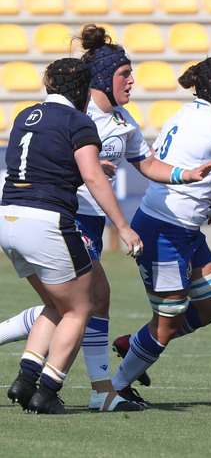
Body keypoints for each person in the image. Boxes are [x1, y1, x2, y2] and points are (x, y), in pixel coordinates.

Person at [0, 25, 211, 411]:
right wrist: (104, 191)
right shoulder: (74, 112)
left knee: (67, 304)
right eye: (124, 74)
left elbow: (147, 163)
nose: (132, 80)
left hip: (80, 222)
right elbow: (70, 163)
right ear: (101, 79)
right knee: (89, 300)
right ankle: (100, 390)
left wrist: (186, 174)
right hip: (65, 219)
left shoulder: (123, 120)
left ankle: (46, 380)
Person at [110, 57, 211, 406]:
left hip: (178, 228)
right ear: (210, 89)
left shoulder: (183, 113)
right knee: (169, 321)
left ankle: (134, 343)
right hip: (165, 231)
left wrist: (207, 192)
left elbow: (170, 162)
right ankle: (114, 387)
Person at [2, 58, 143, 414]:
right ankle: (47, 390)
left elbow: (45, 167)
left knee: (57, 304)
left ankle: (24, 380)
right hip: (47, 221)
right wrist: (124, 228)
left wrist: (85, 169)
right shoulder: (78, 121)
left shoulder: (25, 115)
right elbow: (95, 180)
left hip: (8, 217)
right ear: (81, 90)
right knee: (83, 307)